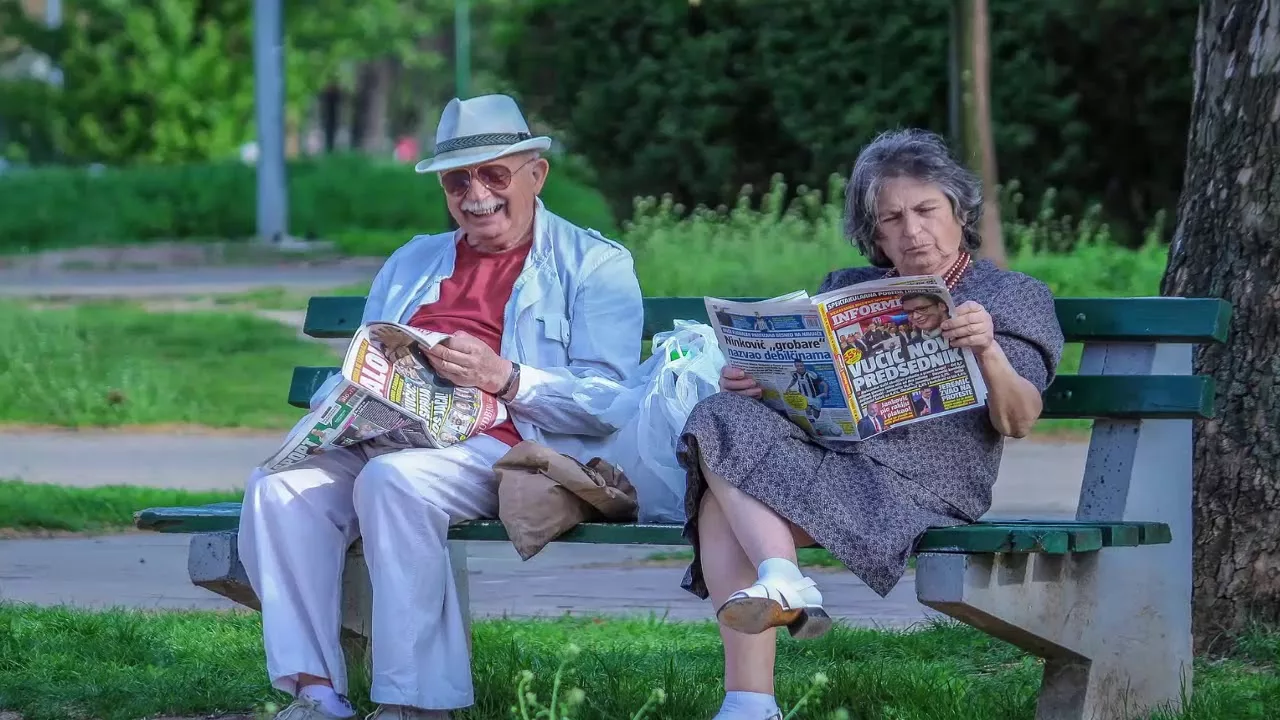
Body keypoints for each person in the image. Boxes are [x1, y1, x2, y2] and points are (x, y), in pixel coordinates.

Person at [237, 94, 644, 720]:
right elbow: (366, 355)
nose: (475, 193)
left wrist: (508, 378)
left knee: (394, 482)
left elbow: (609, 402)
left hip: (508, 446)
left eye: (494, 174)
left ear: (537, 174)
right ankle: (317, 694)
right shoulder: (413, 260)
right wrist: (346, 403)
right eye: (458, 180)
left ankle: (414, 704)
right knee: (277, 486)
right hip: (390, 432)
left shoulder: (595, 264)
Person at [674, 128, 1064, 720]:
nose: (913, 232)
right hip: (835, 462)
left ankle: (750, 696)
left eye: (926, 210)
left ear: (958, 209)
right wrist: (760, 382)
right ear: (873, 233)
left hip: (924, 487)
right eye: (891, 218)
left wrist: (986, 350)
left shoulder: (1009, 295)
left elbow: (1019, 419)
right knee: (717, 415)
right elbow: (805, 398)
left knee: (721, 506)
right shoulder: (846, 290)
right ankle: (778, 597)